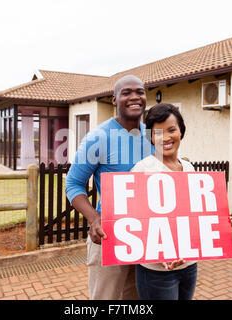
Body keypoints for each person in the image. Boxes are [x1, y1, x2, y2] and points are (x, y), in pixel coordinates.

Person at [65, 75, 155, 300]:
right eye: (126, 93)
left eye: (140, 92)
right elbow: (73, 184)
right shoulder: (98, 137)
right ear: (114, 100)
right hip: (110, 235)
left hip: (148, 235)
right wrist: (95, 219)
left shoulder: (155, 136)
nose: (135, 97)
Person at [130, 103, 198, 300]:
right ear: (151, 137)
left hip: (189, 265)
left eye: (171, 130)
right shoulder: (142, 169)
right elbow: (133, 222)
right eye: (158, 132)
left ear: (181, 131)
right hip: (156, 271)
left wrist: (219, 220)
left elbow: (194, 215)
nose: (166, 138)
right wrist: (159, 253)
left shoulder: (189, 167)